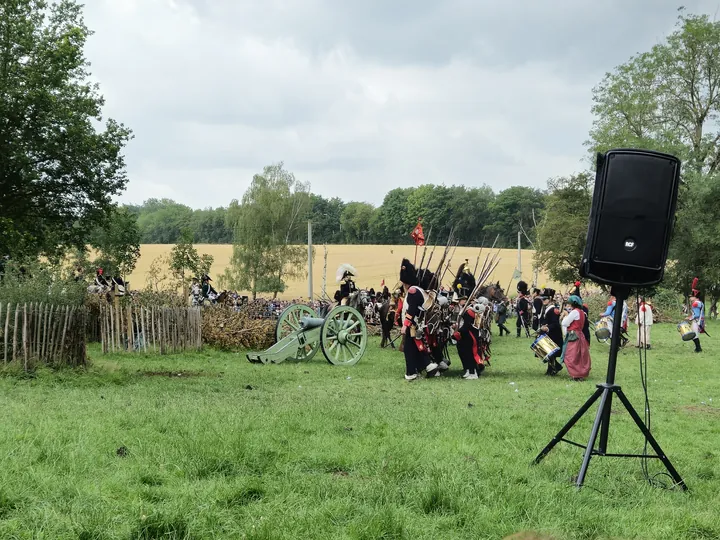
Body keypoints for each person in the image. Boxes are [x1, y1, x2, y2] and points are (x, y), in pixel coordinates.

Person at [399, 258, 439, 380]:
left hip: (413, 325)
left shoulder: (412, 291)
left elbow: (411, 311)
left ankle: (411, 373)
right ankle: (428, 366)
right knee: (416, 347)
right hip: (418, 325)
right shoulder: (419, 290)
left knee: (408, 349)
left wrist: (405, 325)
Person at [561, 295, 592, 381]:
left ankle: (576, 374)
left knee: (571, 355)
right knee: (579, 355)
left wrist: (566, 315)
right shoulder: (581, 312)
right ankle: (579, 374)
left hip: (573, 335)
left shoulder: (574, 312)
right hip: (580, 334)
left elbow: (565, 323)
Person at [452, 303, 484, 380]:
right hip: (470, 337)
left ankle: (473, 373)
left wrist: (457, 332)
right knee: (467, 355)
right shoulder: (475, 315)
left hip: (470, 338)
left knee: (470, 356)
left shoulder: (470, 314)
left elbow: (466, 327)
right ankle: (470, 371)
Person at [538, 288, 563, 376]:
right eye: (542, 299)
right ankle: (552, 369)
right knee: (547, 352)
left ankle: (554, 368)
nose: (543, 300)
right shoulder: (546, 308)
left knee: (550, 353)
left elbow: (556, 324)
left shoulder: (554, 310)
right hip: (547, 333)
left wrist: (547, 328)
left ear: (550, 299)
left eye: (545, 299)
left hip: (554, 334)